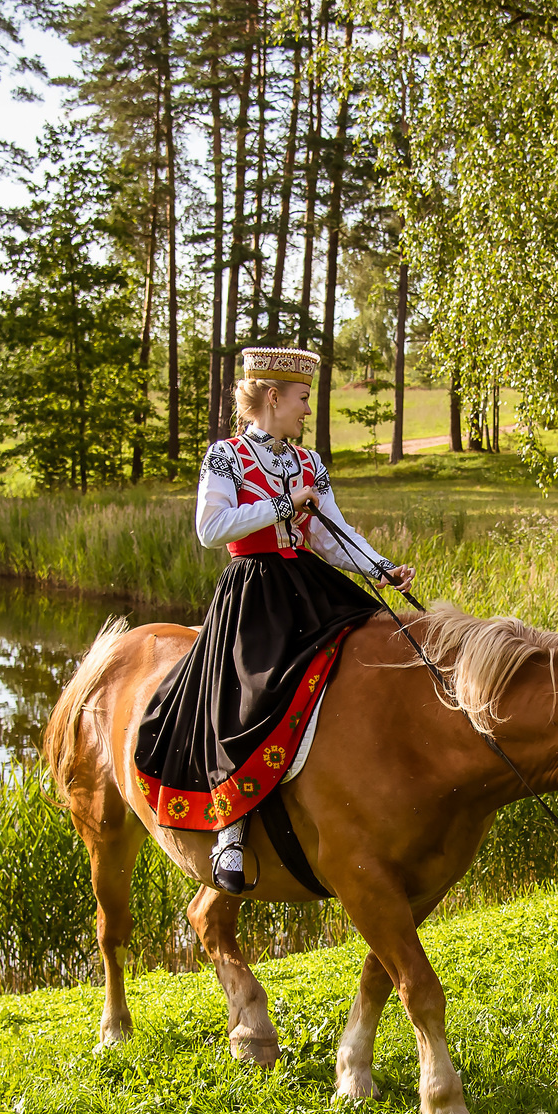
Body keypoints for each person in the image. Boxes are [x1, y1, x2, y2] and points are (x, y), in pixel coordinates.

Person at [131, 347, 416, 893]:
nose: (307, 410)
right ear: (272, 397)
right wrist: (284, 507)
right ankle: (230, 833)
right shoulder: (226, 458)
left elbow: (332, 532)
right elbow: (211, 528)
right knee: (247, 694)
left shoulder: (308, 464)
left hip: (308, 584)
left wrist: (380, 569)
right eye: (303, 398)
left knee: (368, 651)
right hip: (253, 591)